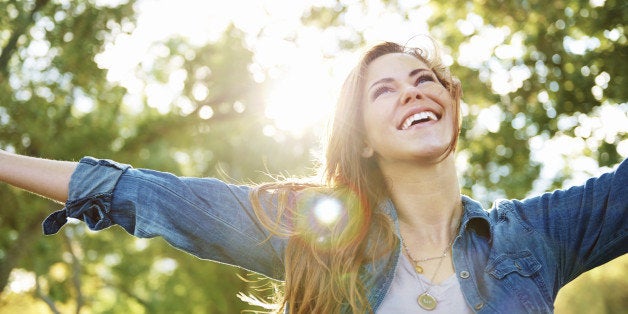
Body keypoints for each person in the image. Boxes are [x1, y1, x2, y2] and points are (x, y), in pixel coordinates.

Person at [0, 40, 626, 313]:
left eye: (425, 80)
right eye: (385, 90)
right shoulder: (315, 233)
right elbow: (141, 190)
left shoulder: (539, 234)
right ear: (364, 142)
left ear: (452, 106)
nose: (413, 93)